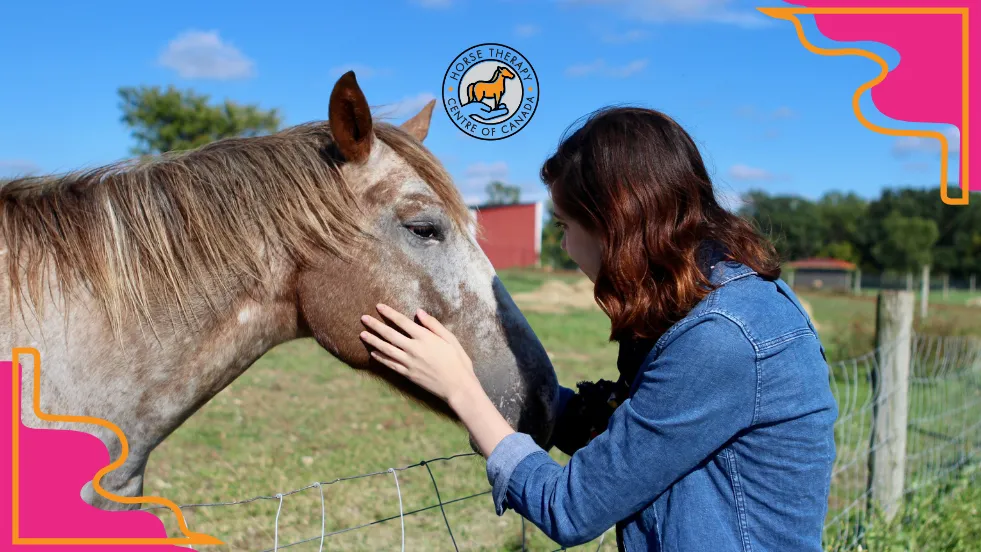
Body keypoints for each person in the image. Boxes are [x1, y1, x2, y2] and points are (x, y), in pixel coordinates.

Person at [358, 106, 838, 551]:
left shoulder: (721, 338)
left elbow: (570, 508)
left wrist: (462, 390)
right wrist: (499, 380)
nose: (566, 246)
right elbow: (628, 442)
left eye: (565, 226)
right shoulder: (716, 299)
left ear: (614, 224)